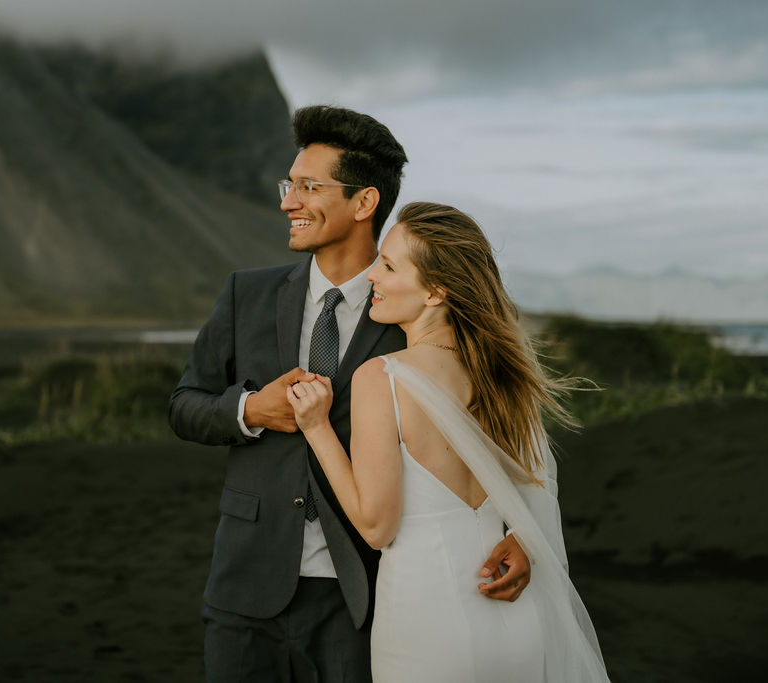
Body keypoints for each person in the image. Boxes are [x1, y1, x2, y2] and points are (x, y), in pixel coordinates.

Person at [168, 107, 532, 683]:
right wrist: (248, 410)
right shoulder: (247, 294)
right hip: (247, 586)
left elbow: (490, 426)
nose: (288, 201)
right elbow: (184, 405)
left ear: (364, 203)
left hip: (368, 594)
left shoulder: (415, 315)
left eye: (309, 187)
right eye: (290, 184)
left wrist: (520, 536)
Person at [287, 202, 609, 682]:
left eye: (391, 266)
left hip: (428, 624)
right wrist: (522, 538)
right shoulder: (505, 377)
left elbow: (377, 526)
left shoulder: (383, 376)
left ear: (436, 291)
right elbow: (539, 485)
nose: (372, 272)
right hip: (516, 617)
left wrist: (316, 427)